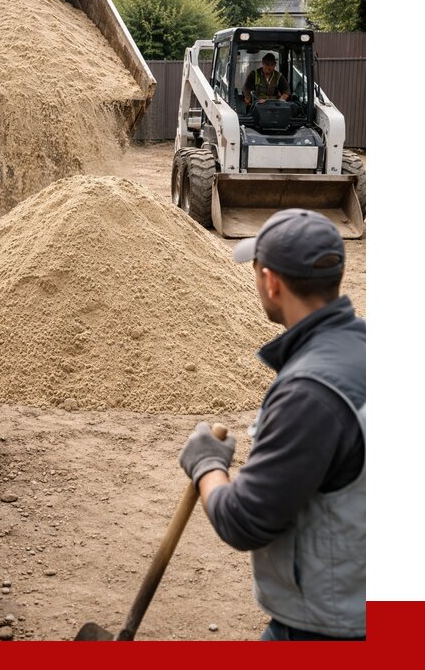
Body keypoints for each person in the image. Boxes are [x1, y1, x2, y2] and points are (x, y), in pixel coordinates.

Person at [178, 208, 366, 641]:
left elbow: (245, 521)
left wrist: (206, 465)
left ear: (272, 282)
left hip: (333, 629)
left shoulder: (310, 392)